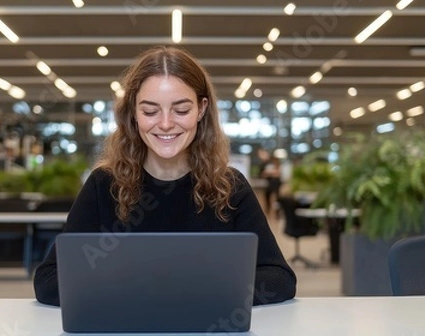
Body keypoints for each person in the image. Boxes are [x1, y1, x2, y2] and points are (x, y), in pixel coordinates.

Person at [33, 46, 296, 306]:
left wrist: (185, 294)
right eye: (150, 111)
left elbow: (279, 278)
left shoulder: (230, 187)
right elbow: (48, 279)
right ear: (134, 113)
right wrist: (147, 294)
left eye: (181, 110)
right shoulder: (104, 184)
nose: (167, 123)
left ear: (202, 109)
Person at [258, 148, 282, 219]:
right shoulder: (263, 164)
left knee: (277, 199)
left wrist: (269, 173)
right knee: (267, 199)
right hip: (268, 185)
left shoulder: (275, 163)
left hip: (276, 184)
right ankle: (267, 214)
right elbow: (262, 174)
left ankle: (277, 214)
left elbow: (277, 173)